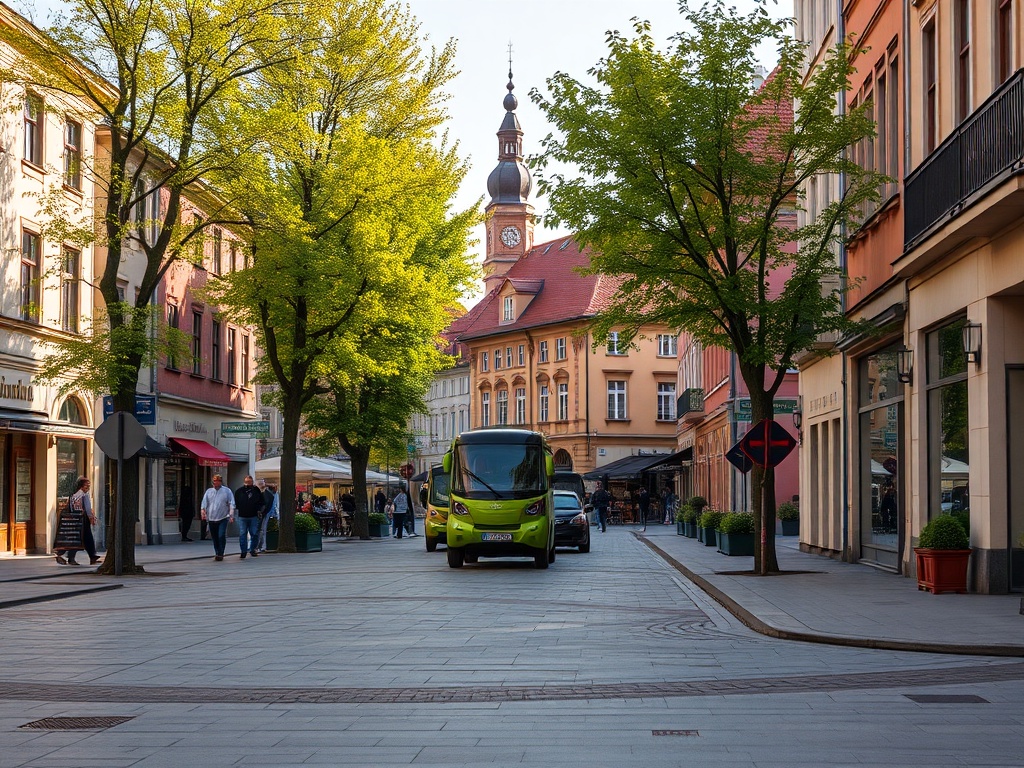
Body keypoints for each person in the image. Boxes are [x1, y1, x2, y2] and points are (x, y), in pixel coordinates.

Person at [55, 476, 100, 565]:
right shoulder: (84, 495)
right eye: (86, 486)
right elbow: (87, 509)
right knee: (84, 538)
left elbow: (70, 507)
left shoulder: (73, 496)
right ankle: (65, 555)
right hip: (83, 519)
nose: (88, 488)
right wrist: (91, 518)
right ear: (81, 486)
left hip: (73, 519)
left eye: (89, 486)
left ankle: (91, 556)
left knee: (75, 538)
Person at [200, 474, 235, 561]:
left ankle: (221, 552)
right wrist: (203, 511)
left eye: (218, 481)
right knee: (214, 536)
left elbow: (232, 503)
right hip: (211, 518)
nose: (216, 482)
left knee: (221, 535)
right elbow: (204, 503)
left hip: (223, 517)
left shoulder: (227, 491)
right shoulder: (209, 491)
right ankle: (217, 552)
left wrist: (231, 515)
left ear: (221, 481)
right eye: (215, 481)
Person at [234, 475, 265, 559]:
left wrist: (259, 510)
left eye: (250, 482)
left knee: (254, 533)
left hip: (253, 515)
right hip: (242, 516)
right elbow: (236, 503)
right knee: (242, 533)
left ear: (252, 482)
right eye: (247, 482)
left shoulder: (256, 491)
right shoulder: (239, 491)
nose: (248, 484)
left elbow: (261, 502)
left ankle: (252, 549)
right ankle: (243, 551)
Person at [257, 482, 279, 552]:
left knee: (260, 529)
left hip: (263, 514)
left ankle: (259, 546)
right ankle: (262, 546)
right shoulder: (271, 496)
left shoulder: (267, 495)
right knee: (262, 530)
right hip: (266, 513)